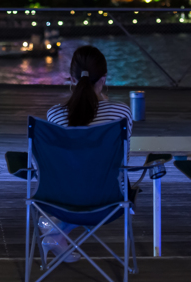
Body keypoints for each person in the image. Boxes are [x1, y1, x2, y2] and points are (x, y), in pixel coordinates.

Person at [40, 45, 133, 262]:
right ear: (103, 79)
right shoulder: (121, 112)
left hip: (60, 200)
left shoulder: (54, 114)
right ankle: (55, 231)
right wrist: (104, 103)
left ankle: (56, 229)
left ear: (72, 80)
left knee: (77, 181)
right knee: (101, 181)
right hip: (109, 200)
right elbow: (122, 161)